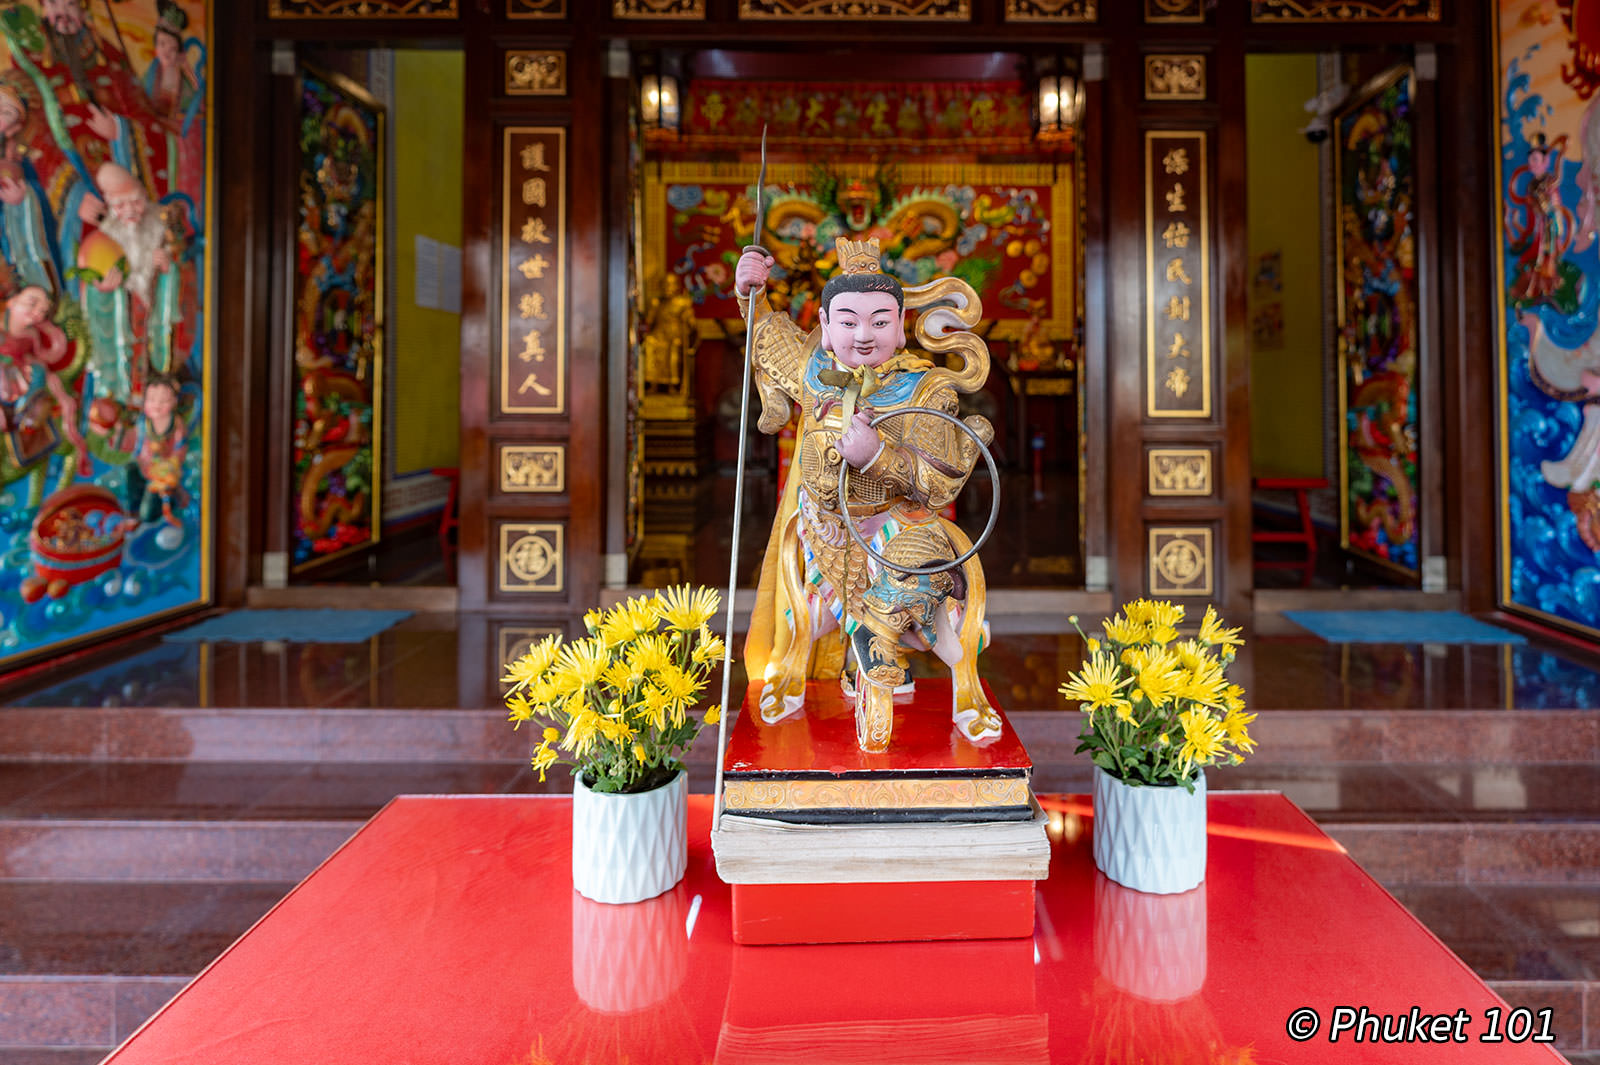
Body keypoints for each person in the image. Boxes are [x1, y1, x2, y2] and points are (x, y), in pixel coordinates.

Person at [735, 236, 999, 752]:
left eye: (880, 321)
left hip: (898, 529)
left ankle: (963, 690)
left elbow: (942, 480)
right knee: (807, 619)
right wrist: (752, 294)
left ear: (901, 329)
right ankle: (795, 670)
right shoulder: (814, 372)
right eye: (848, 321)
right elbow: (766, 335)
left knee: (934, 627)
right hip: (826, 530)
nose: (863, 334)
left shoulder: (926, 390)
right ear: (826, 327)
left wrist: (878, 457)